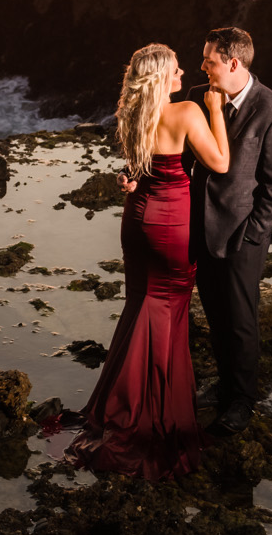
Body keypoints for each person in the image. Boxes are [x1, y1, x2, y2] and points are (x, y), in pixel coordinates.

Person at [66, 43, 230, 480]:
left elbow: (136, 170)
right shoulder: (188, 112)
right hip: (172, 223)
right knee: (168, 308)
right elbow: (221, 162)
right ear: (160, 77)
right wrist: (215, 109)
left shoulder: (133, 114)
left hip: (137, 220)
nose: (182, 74)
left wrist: (129, 177)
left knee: (141, 304)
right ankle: (150, 411)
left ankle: (122, 402)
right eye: (176, 70)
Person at [187, 26, 272, 437]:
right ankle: (224, 384)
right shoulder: (200, 96)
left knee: (240, 320)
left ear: (232, 63)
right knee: (215, 316)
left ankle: (242, 400)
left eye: (209, 60)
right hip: (199, 228)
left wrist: (253, 234)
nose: (202, 66)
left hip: (241, 237)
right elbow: (185, 157)